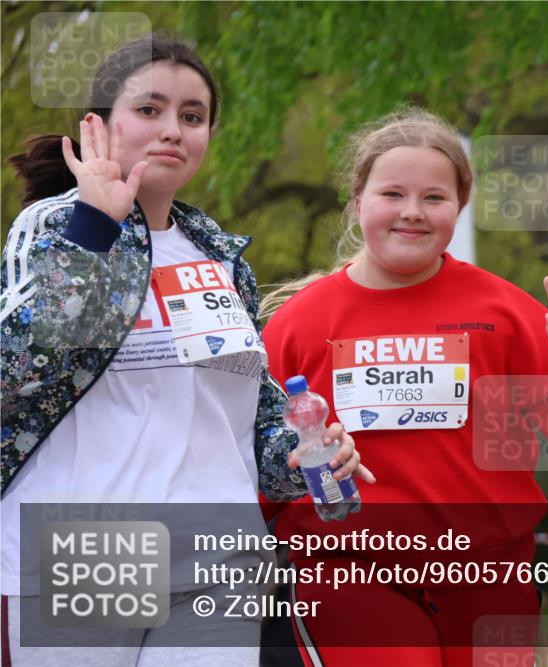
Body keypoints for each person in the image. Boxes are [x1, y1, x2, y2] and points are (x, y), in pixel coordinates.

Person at [0, 35, 369, 666]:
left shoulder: (219, 255)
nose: (173, 130)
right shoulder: (55, 228)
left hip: (222, 554)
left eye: (192, 116)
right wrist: (95, 228)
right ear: (97, 127)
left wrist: (308, 453)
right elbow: (16, 366)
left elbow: (248, 415)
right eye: (149, 110)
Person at [261, 108, 548, 667]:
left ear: (459, 207)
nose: (412, 211)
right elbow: (253, 465)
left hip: (491, 572)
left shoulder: (505, 312)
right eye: (392, 194)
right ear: (358, 202)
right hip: (348, 571)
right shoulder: (298, 324)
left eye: (434, 197)